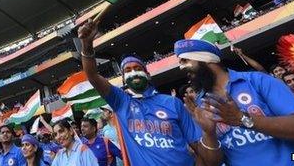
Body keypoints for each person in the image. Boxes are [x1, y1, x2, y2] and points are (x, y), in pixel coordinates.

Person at [79, 18, 223, 166]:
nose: (133, 72)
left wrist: (210, 134)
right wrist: (87, 45)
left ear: (148, 75)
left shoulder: (173, 103)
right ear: (123, 79)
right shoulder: (121, 101)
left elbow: (207, 157)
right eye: (127, 71)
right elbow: (93, 76)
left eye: (138, 68)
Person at [175, 39, 294, 166]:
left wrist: (242, 119)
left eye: (185, 61)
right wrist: (209, 134)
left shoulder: (259, 81)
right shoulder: (201, 104)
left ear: (207, 60)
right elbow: (212, 163)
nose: (182, 68)